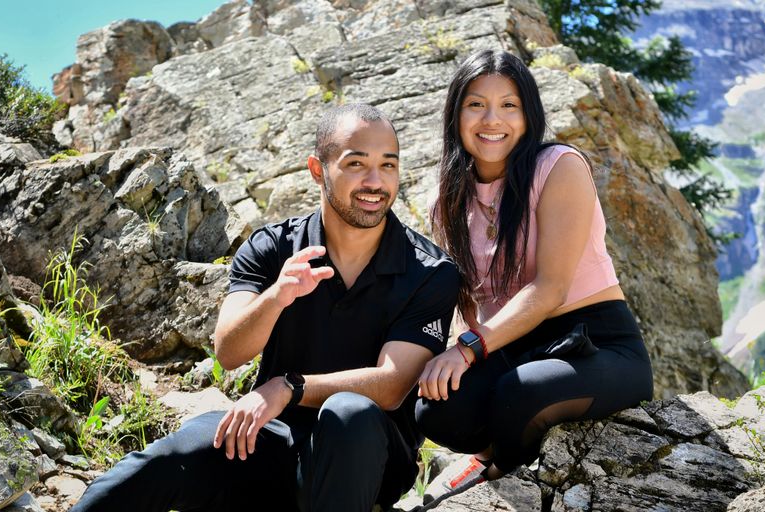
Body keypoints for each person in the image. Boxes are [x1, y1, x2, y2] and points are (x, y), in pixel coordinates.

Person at [71, 103, 460, 512]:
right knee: (163, 463)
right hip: (271, 436)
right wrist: (277, 296)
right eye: (356, 164)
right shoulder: (272, 247)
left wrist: (288, 387)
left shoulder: (430, 272)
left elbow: (392, 384)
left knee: (350, 412)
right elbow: (229, 351)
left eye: (388, 165)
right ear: (317, 170)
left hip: (367, 457)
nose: (375, 181)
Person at [414, 49, 654, 503]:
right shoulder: (447, 200)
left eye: (509, 105)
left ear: (529, 114)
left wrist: (466, 351)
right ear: (456, 114)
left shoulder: (558, 166)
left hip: (598, 342)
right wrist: (452, 357)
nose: (492, 119)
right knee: (435, 407)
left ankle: (501, 472)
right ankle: (500, 448)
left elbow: (550, 289)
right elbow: (469, 300)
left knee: (519, 392)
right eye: (476, 104)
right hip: (514, 344)